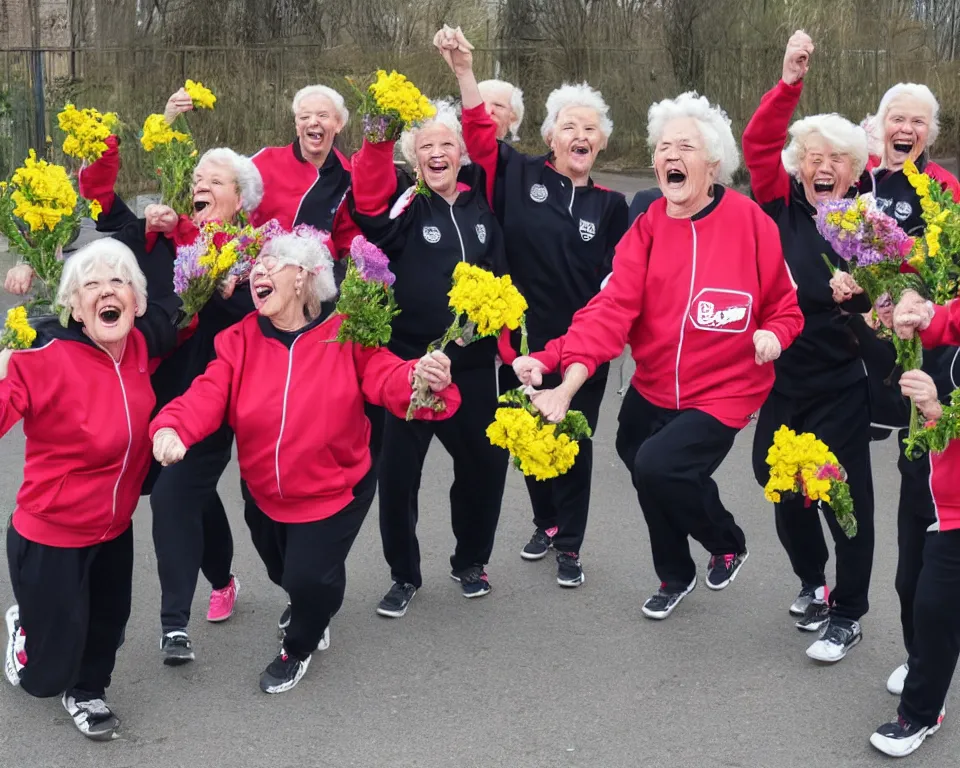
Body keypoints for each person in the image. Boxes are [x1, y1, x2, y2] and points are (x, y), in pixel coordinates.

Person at [512, 91, 804, 620]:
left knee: (658, 465)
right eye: (664, 147)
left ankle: (726, 540)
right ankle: (676, 574)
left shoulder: (752, 223)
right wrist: (560, 371)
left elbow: (786, 307)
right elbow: (609, 309)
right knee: (639, 456)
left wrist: (774, 336)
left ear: (712, 163)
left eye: (685, 146)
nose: (671, 155)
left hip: (725, 390)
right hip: (653, 386)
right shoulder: (646, 226)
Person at [149, 232, 461, 693]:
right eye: (257, 265)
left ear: (304, 277)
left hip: (334, 491)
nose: (259, 270)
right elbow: (208, 392)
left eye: (274, 263)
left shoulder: (347, 332)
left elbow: (386, 376)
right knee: (284, 572)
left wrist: (421, 379)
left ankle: (297, 647)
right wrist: (173, 427)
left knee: (309, 580)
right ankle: (312, 600)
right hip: (265, 493)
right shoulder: (238, 340)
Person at [436, 25, 628, 587]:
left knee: (571, 434)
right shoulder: (518, 176)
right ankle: (545, 521)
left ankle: (570, 542)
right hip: (518, 340)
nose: (579, 134)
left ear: (601, 144)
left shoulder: (612, 206)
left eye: (589, 129)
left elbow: (622, 281)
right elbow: (477, 132)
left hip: (582, 345)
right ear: (549, 135)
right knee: (523, 431)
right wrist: (465, 73)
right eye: (569, 125)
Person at [3, 239, 177, 740]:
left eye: (119, 281)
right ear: (75, 307)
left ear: (137, 302)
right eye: (91, 284)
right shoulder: (43, 357)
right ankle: (26, 634)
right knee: (43, 675)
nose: (106, 291)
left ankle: (88, 693)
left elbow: (189, 312)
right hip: (50, 532)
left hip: (113, 529)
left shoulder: (142, 347)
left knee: (108, 625)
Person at [347, 97, 510, 617]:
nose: (437, 153)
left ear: (461, 154)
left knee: (484, 466)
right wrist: (378, 129)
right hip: (408, 366)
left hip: (473, 365)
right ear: (413, 159)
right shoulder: (402, 203)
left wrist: (494, 329)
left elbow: (501, 274)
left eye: (446, 144)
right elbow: (368, 200)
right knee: (398, 478)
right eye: (426, 147)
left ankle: (471, 561)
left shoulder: (480, 198)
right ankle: (403, 575)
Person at [742, 30, 875, 663]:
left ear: (856, 169)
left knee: (841, 493)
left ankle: (848, 611)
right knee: (779, 482)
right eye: (813, 156)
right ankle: (811, 582)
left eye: (838, 159)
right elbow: (757, 142)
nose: (825, 168)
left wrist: (863, 298)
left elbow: (896, 314)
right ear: (798, 165)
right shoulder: (776, 207)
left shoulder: (869, 227)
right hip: (783, 382)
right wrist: (789, 79)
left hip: (842, 385)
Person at [864, 290, 960, 756]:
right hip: (928, 473)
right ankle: (923, 660)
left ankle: (920, 712)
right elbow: (947, 320)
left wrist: (940, 411)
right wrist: (912, 315)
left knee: (936, 607)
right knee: (908, 586)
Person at [861, 82, 960, 234]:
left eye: (918, 121)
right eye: (898, 119)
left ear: (929, 131)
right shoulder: (859, 173)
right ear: (882, 124)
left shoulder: (944, 184)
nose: (906, 129)